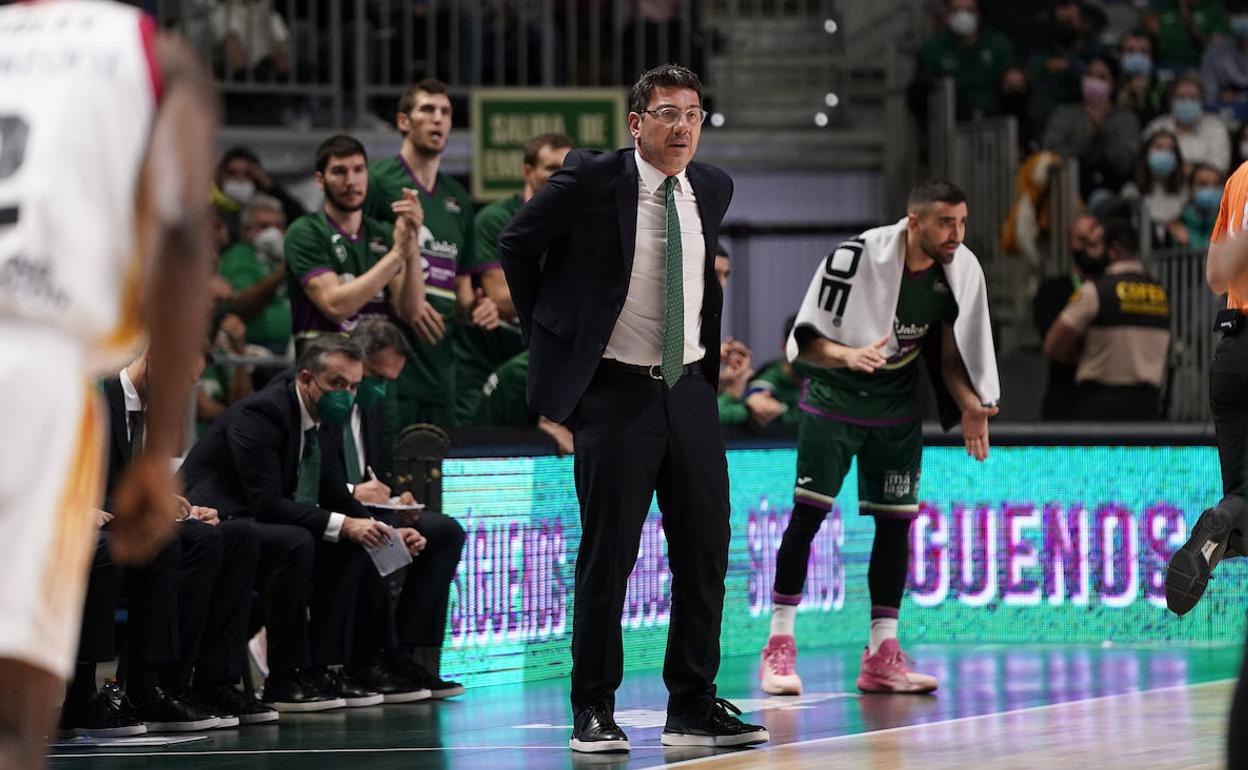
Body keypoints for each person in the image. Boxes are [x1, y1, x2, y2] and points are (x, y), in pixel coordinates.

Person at [499, 63, 768, 753]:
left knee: (705, 552)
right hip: (615, 392)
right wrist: (555, 340)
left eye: (694, 115)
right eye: (668, 113)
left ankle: (693, 704)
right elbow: (518, 245)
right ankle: (592, 708)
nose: (683, 127)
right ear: (637, 123)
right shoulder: (592, 179)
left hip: (690, 390)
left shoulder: (712, 186)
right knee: (608, 557)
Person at [0, 3, 217, 767]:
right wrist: (159, 453)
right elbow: (185, 233)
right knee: (15, 713)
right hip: (34, 363)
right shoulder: (155, 57)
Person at [757, 181, 999, 697]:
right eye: (944, 223)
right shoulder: (855, 257)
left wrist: (970, 405)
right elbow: (805, 343)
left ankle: (882, 654)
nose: (956, 234)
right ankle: (779, 646)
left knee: (896, 527)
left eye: (962, 222)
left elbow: (950, 358)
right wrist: (848, 355)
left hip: (896, 409)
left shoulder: (954, 274)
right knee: (809, 517)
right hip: (834, 401)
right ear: (914, 223)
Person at [180, 337, 425, 711]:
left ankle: (321, 667)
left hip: (260, 522)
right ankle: (283, 675)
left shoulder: (323, 416)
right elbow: (266, 503)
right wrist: (345, 525)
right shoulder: (262, 413)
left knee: (357, 543)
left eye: (354, 386)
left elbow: (332, 493)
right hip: (216, 521)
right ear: (307, 378)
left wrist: (380, 530)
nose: (347, 394)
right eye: (338, 384)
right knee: (298, 542)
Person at [1163, 153, 1248, 767]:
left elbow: (1218, 274)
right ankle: (1221, 524)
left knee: (1245, 495)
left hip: (1232, 354)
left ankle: (1218, 532)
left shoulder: (1241, 177)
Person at [342, 320, 465, 697]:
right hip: (330, 509)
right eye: (378, 376)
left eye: (390, 381)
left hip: (368, 507)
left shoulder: (373, 405)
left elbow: (372, 472)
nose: (383, 388)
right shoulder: (329, 400)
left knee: (443, 531)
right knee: (377, 534)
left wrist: (397, 499)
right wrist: (353, 492)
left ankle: (409, 655)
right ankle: (369, 658)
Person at [364, 79, 481, 429]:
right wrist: (404, 291)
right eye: (427, 110)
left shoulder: (458, 198)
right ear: (404, 121)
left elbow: (463, 286)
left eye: (445, 112)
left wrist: (477, 307)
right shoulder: (377, 181)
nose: (438, 119)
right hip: (388, 357)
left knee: (438, 476)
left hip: (441, 363)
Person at [456, 132, 573, 425]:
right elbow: (504, 299)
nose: (562, 177)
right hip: (490, 360)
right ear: (527, 171)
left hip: (548, 360)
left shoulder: (580, 223)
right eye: (552, 169)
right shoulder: (497, 219)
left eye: (568, 169)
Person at [284, 134, 425, 357]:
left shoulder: (384, 233)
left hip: (377, 376)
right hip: (326, 376)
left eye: (359, 170)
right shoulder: (305, 231)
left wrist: (412, 243)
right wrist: (398, 254)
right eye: (340, 172)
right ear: (320, 180)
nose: (351, 181)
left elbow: (411, 312)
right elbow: (335, 307)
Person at [1043, 220, 1171, 420]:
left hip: (1099, 408)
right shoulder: (1160, 294)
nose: (1089, 253)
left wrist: (1080, 352)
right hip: (1148, 409)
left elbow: (1053, 344)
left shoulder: (1096, 291)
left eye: (1095, 246)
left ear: (1114, 250)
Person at [1033, 213, 1107, 421]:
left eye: (1094, 242)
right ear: (1070, 244)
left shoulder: (1110, 289)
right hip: (1064, 399)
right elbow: (1055, 345)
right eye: (1081, 241)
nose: (1088, 249)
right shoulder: (1052, 290)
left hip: (1102, 404)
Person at [1042, 54, 1140, 201]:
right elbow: (1051, 152)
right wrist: (1089, 135)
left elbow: (1125, 162)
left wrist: (1101, 132)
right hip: (1066, 188)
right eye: (1089, 75)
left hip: (1112, 190)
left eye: (1102, 77)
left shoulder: (1125, 119)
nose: (1094, 81)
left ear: (1114, 84)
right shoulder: (1064, 114)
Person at [913, 0, 1015, 119]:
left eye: (969, 10)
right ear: (946, 14)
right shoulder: (931, 51)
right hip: (949, 122)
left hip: (994, 120)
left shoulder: (999, 45)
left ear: (979, 14)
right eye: (956, 10)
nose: (963, 16)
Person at [217, 194, 292, 356]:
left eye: (279, 226)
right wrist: (280, 275)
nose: (273, 232)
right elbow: (240, 306)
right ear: (245, 230)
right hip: (255, 350)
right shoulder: (239, 256)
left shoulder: (287, 255)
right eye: (264, 226)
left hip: (292, 348)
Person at [1144, 73, 1232, 175]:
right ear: (1171, 100)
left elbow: (1219, 167)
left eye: (1193, 97)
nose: (1187, 102)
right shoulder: (1156, 127)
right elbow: (1143, 164)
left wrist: (1175, 168)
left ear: (1201, 101)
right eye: (1181, 97)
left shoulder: (1216, 128)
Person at [211, 146, 306, 236]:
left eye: (248, 174)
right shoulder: (209, 210)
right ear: (220, 176)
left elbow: (304, 223)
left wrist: (270, 186)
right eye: (232, 173)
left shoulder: (265, 207)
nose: (240, 178)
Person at [1121, 130, 1189, 247]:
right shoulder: (1130, 192)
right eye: (1159, 147)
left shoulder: (1184, 191)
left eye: (1170, 149)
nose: (1165, 153)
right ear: (1146, 152)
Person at [1200, 1, 1248, 104]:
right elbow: (1208, 94)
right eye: (1238, 14)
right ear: (1227, 17)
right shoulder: (1214, 52)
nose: (1245, 18)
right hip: (1225, 114)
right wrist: (1219, 95)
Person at [1175, 163, 1226, 250]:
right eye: (1203, 184)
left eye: (1216, 184)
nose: (1210, 190)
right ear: (1191, 189)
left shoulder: (1230, 222)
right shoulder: (1178, 222)